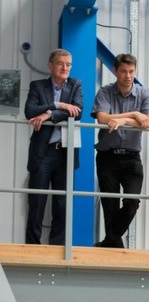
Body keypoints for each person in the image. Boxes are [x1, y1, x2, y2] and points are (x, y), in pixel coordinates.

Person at [91, 53, 149, 248]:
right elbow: (103, 118)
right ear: (115, 71)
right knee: (109, 204)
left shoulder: (144, 93)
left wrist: (122, 120)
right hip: (107, 156)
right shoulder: (105, 92)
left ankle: (110, 240)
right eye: (123, 71)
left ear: (135, 71)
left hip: (131, 158)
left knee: (132, 202)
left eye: (131, 72)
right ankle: (114, 244)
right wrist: (135, 115)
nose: (128, 76)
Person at [24, 48, 82, 245]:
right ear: (51, 66)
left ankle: (57, 249)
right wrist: (60, 106)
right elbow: (30, 111)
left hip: (65, 153)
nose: (65, 68)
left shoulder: (75, 85)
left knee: (62, 204)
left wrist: (49, 114)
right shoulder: (37, 86)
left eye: (68, 64)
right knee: (37, 203)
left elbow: (78, 111)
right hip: (43, 153)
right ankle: (32, 247)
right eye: (60, 64)